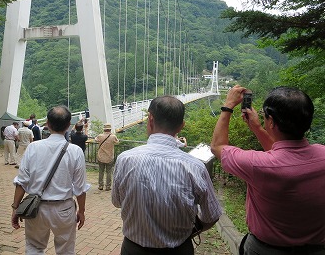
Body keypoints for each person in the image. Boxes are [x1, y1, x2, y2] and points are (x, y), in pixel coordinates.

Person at [211, 85, 325, 254]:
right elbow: (285, 156)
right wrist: (257, 128)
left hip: (265, 250)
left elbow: (217, 146)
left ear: (271, 121)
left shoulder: (258, 164)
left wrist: (227, 106)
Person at [112, 95, 222, 255]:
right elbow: (212, 215)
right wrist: (190, 231)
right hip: (179, 250)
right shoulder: (195, 167)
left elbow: (117, 202)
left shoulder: (125, 159)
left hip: (133, 249)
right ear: (181, 126)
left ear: (150, 119)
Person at [11, 106, 90, 254]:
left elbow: (22, 182)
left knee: (34, 247)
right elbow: (80, 188)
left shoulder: (33, 148)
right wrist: (82, 211)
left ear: (47, 123)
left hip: (36, 208)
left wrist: (16, 208)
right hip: (64, 208)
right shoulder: (75, 151)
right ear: (68, 126)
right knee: (66, 250)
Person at [95, 123, 119, 191]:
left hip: (101, 157)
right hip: (109, 157)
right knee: (109, 172)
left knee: (101, 171)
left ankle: (100, 185)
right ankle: (108, 186)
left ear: (104, 129)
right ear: (110, 129)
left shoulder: (100, 136)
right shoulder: (113, 136)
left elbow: (96, 139)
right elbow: (117, 142)